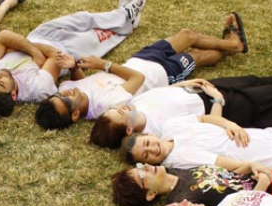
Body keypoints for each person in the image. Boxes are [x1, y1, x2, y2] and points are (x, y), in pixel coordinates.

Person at [35, 12, 248, 130]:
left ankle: (231, 44)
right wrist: (103, 65)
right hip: (162, 74)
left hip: (139, 58)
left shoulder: (68, 87)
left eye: (58, 94)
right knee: (197, 55)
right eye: (64, 100)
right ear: (74, 115)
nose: (65, 93)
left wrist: (74, 68)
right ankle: (233, 45)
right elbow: (138, 78)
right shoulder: (107, 106)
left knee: (187, 34)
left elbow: (79, 84)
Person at [0, 0, 145, 118]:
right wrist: (20, 46)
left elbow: (3, 35)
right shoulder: (38, 89)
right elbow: (55, 55)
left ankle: (125, 14)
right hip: (70, 48)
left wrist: (36, 54)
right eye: (2, 82)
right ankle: (127, 17)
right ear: (13, 95)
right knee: (106, 36)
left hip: (40, 34)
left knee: (84, 18)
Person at [93, 76, 272, 148]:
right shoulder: (161, 131)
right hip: (220, 103)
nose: (122, 108)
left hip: (202, 87)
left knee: (256, 80)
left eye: (116, 109)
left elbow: (161, 95)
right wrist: (217, 99)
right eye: (121, 114)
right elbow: (209, 128)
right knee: (269, 94)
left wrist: (183, 84)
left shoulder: (134, 104)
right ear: (128, 130)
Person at [123, 114, 272, 174]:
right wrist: (253, 166)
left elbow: (203, 118)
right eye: (146, 154)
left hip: (260, 136)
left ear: (150, 135)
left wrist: (231, 125)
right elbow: (227, 165)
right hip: (263, 156)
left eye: (148, 143)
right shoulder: (177, 161)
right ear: (147, 163)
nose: (152, 149)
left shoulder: (171, 125)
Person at [111, 163, 272, 206]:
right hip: (268, 198)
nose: (145, 167)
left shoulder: (177, 170)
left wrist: (251, 166)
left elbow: (226, 177)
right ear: (150, 194)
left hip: (265, 177)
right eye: (141, 175)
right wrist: (262, 183)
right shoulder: (182, 202)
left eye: (139, 166)